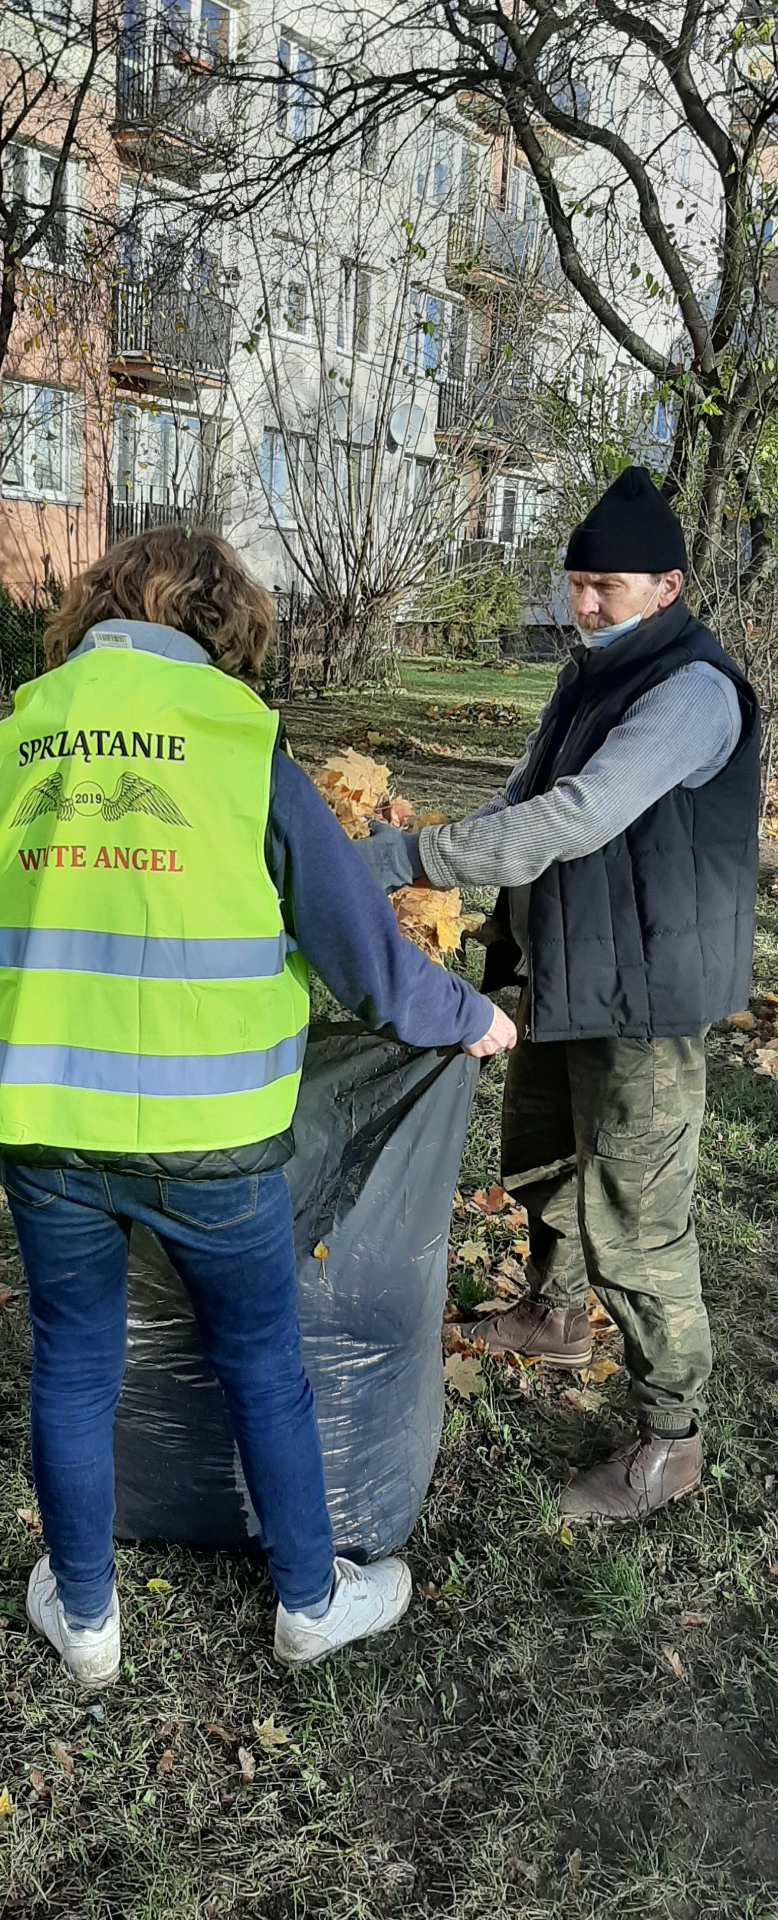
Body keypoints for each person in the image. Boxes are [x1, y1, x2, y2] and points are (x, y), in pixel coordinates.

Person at [0, 527, 516, 1688]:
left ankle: (89, 1619)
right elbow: (359, 950)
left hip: (46, 1123)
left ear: (103, 602)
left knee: (70, 1364)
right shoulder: (234, 740)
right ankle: (309, 1601)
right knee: (263, 1364)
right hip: (210, 1143)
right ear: (221, 622)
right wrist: (468, 1016)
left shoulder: (14, 741)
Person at [362, 468, 760, 1525]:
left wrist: (411, 852)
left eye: (606, 586)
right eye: (575, 581)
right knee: (541, 1157)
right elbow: (524, 793)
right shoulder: (590, 669)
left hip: (645, 1001)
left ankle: (669, 1440)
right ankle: (551, 1314)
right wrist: (441, 844)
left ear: (667, 585)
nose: (580, 603)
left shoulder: (690, 691)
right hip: (566, 971)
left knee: (636, 1224)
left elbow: (575, 815)